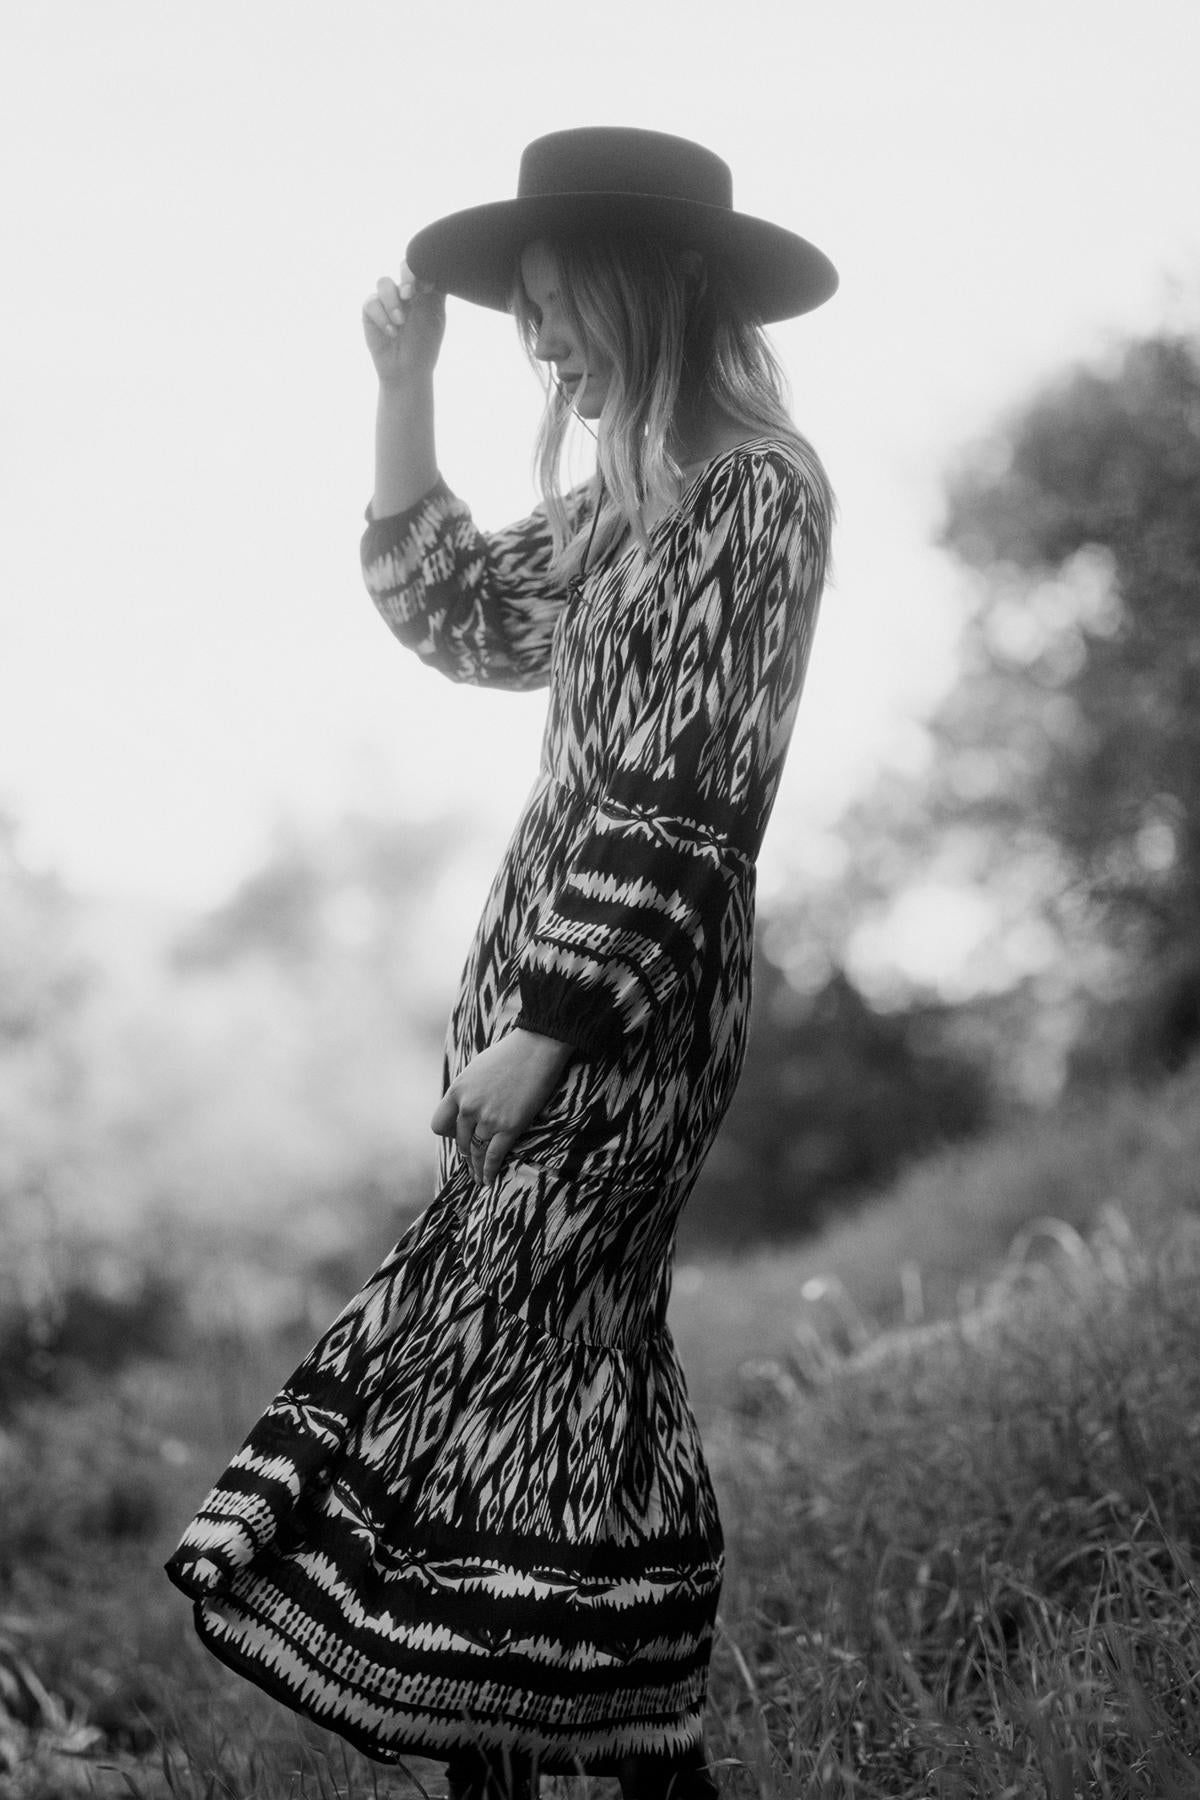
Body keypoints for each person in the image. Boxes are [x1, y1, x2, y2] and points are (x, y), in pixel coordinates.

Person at [166, 127, 837, 1799]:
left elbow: (697, 793)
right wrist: (408, 383)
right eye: (521, 312)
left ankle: (620, 1750)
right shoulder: (619, 502)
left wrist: (552, 1025)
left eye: (554, 306)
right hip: (534, 981)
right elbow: (455, 612)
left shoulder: (759, 494)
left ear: (656, 284)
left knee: (515, 1349)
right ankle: (572, 1757)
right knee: (548, 1372)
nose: (538, 342)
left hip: (624, 998)